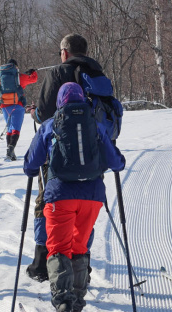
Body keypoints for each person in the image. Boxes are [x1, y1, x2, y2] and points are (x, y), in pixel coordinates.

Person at [23, 82, 126, 312]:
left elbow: (30, 164)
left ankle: (62, 302)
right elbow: (116, 163)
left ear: (60, 101)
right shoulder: (95, 124)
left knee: (58, 248)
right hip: (91, 196)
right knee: (79, 247)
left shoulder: (50, 124)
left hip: (60, 195)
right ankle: (77, 304)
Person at [24, 33, 113, 283]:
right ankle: (80, 260)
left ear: (65, 52)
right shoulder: (98, 74)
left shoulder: (58, 73)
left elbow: (44, 113)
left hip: (58, 156)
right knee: (85, 203)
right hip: (94, 154)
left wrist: (35, 116)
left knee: (47, 203)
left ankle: (43, 263)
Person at [0, 59, 38, 161]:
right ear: (16, 67)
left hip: (5, 106)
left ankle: (10, 152)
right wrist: (32, 72)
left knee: (9, 128)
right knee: (16, 128)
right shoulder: (19, 77)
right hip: (17, 105)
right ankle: (11, 148)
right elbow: (33, 79)